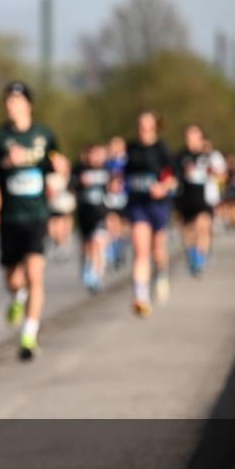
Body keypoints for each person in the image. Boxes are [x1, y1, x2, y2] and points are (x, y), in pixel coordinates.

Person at [0, 81, 69, 360]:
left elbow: (57, 165)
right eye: (8, 100)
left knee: (35, 275)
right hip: (10, 217)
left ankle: (29, 336)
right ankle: (18, 297)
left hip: (36, 215)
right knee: (14, 279)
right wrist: (6, 163)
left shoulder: (44, 135)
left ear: (28, 104)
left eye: (16, 100)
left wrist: (60, 169)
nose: (11, 105)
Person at [124, 111, 177, 317]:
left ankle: (162, 274)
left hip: (158, 205)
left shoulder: (162, 149)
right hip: (137, 204)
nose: (143, 130)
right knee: (140, 250)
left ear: (155, 127)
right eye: (140, 126)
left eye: (147, 126)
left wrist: (163, 187)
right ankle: (141, 296)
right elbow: (124, 174)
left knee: (158, 249)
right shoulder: (131, 149)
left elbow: (173, 178)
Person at [175, 124, 216, 276]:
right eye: (188, 136)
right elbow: (173, 176)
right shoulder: (180, 156)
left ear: (201, 138)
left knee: (203, 227)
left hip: (203, 199)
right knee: (189, 232)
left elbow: (220, 173)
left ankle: (200, 259)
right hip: (185, 199)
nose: (191, 140)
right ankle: (192, 255)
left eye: (194, 136)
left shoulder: (208, 156)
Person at [71, 143, 111, 292]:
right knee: (87, 245)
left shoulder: (107, 170)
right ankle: (89, 268)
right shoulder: (79, 169)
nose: (95, 158)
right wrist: (79, 182)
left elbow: (115, 188)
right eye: (92, 154)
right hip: (84, 213)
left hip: (101, 213)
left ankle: (97, 274)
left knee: (97, 243)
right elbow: (70, 185)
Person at [103, 136, 129, 270]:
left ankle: (120, 248)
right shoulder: (106, 162)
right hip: (111, 199)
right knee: (111, 223)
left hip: (124, 197)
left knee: (123, 227)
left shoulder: (127, 161)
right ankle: (112, 251)